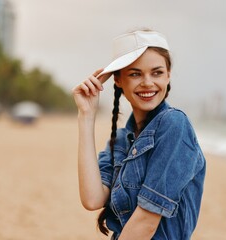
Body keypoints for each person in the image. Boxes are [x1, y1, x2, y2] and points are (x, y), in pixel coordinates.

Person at [72, 29, 206, 240]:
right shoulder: (122, 139)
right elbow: (92, 199)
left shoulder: (174, 125)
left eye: (157, 72)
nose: (147, 82)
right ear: (118, 79)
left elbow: (146, 222)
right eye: (135, 73)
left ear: (168, 74)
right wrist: (86, 116)